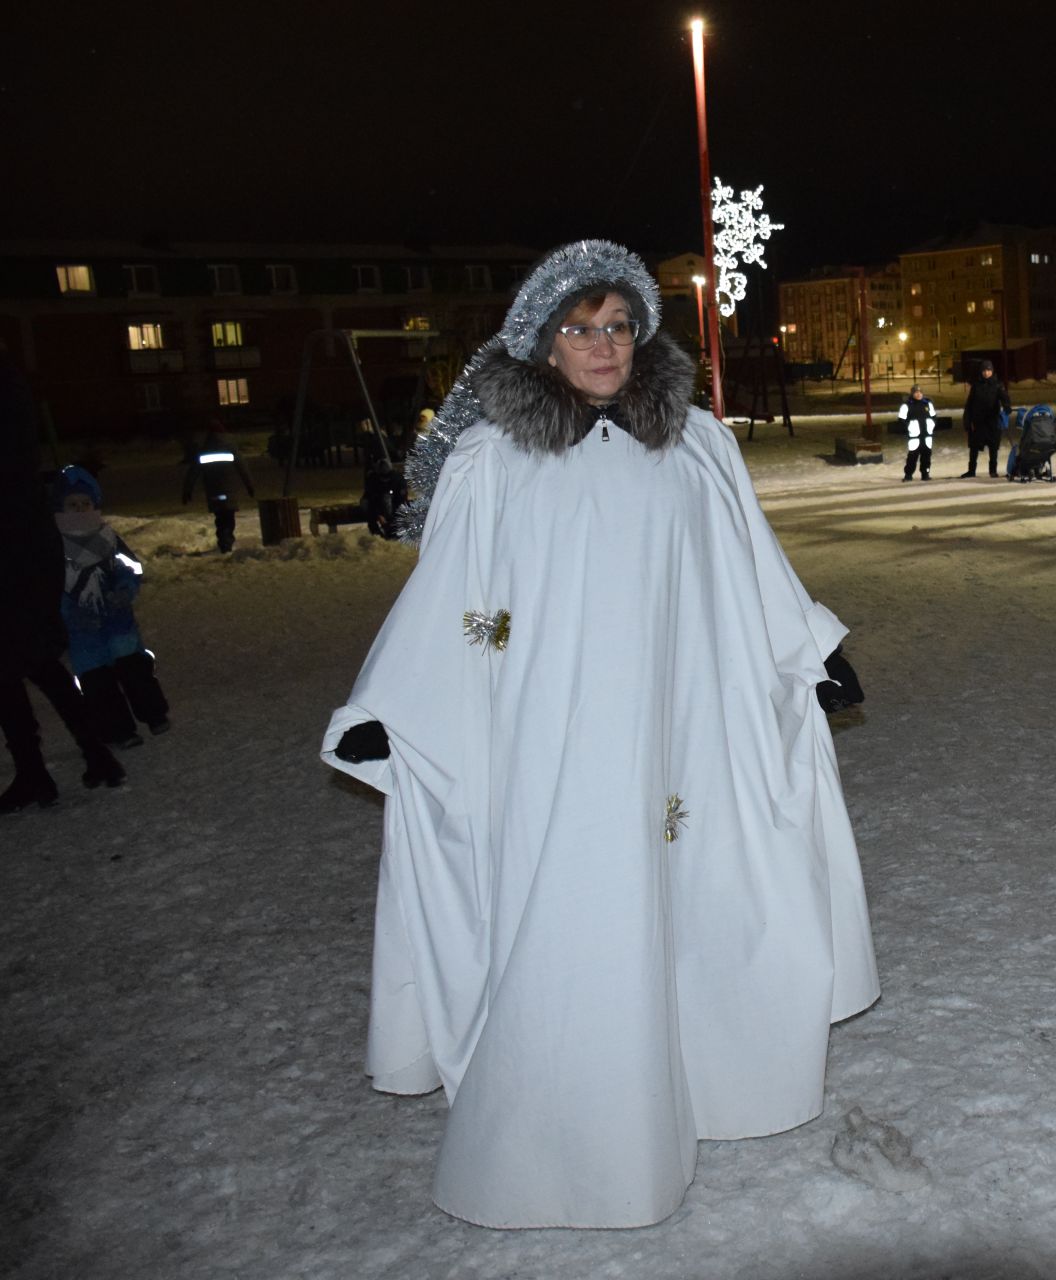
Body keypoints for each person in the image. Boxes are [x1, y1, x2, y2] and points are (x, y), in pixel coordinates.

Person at [320, 240, 879, 1229]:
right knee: (578, 907)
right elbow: (464, 604)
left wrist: (805, 649)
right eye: (581, 328)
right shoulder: (498, 460)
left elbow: (744, 565)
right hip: (560, 731)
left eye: (619, 325)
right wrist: (414, 704)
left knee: (697, 889)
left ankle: (706, 1077)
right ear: (541, 340)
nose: (604, 345)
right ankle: (564, 1131)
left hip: (682, 722)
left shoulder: (697, 442)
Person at [0, 351, 123, 813]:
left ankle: (68, 761)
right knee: (29, 665)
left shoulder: (6, 388)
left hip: (16, 551)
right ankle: (61, 762)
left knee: (27, 663)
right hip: (21, 547)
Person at [54, 466, 170, 748]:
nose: (80, 510)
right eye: (72, 505)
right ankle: (119, 730)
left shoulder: (107, 536)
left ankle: (154, 715)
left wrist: (125, 588)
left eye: (86, 504)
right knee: (97, 683)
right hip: (82, 632)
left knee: (136, 670)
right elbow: (46, 586)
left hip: (117, 620)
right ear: (60, 507)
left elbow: (130, 566)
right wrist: (70, 612)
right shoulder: (52, 544)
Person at [180, 423, 256, 552]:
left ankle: (223, 541)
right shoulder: (231, 448)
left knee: (220, 518)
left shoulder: (204, 450)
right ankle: (227, 542)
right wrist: (250, 486)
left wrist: (187, 490)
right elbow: (243, 469)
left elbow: (193, 472)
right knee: (228, 518)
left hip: (213, 491)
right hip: (229, 491)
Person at [961, 359, 1011, 478]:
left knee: (993, 448)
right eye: (984, 370)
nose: (986, 373)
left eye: (988, 370)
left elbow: (1005, 398)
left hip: (992, 421)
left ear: (992, 371)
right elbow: (969, 404)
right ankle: (971, 470)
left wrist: (1007, 407)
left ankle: (992, 470)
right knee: (974, 448)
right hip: (978, 421)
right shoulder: (976, 386)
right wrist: (967, 420)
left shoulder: (998, 385)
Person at [898, 384, 935, 481]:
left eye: (920, 392)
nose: (918, 394)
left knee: (926, 456)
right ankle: (908, 474)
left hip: (926, 435)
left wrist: (931, 425)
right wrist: (910, 427)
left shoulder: (927, 403)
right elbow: (901, 419)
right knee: (912, 456)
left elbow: (934, 416)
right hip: (914, 436)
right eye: (916, 392)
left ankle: (925, 473)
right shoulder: (907, 405)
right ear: (912, 393)